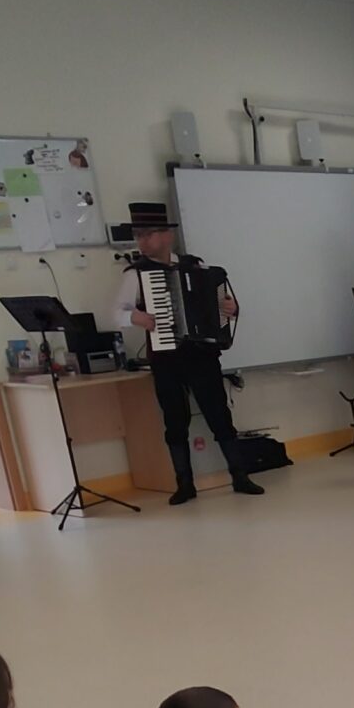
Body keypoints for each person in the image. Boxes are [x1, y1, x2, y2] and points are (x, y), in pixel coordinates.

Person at [109, 211, 261, 504]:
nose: (142, 241)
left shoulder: (195, 266)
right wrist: (137, 318)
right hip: (166, 358)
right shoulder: (136, 274)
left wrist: (231, 308)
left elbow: (221, 302)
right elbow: (116, 313)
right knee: (175, 420)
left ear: (168, 235)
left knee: (219, 414)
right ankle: (185, 483)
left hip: (201, 355)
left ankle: (240, 476)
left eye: (148, 234)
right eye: (138, 235)